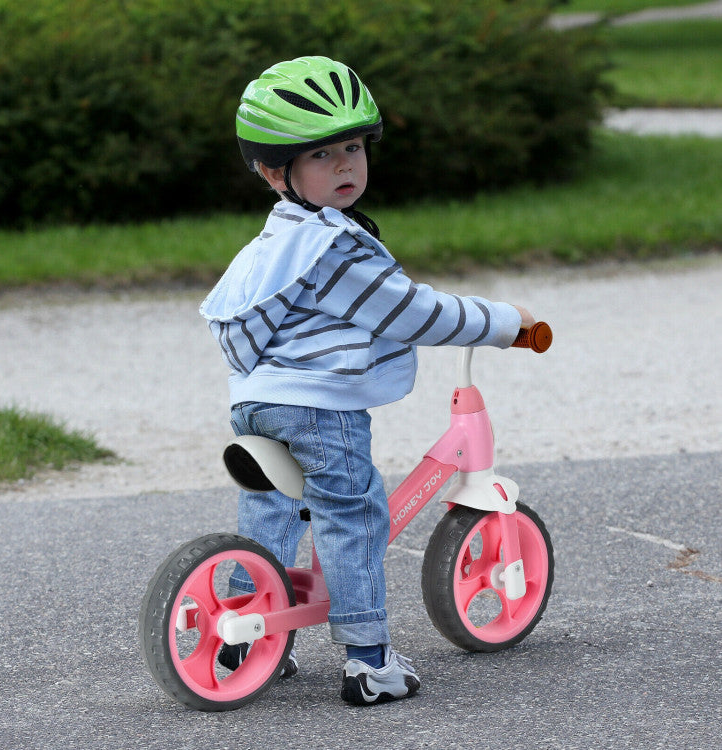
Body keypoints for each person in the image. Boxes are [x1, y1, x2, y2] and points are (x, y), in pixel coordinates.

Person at [200, 56, 535, 706]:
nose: (347, 166)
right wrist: (503, 323)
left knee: (270, 511)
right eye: (322, 156)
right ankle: (369, 659)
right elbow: (413, 311)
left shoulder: (276, 240)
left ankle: (246, 632)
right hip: (318, 412)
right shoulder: (334, 250)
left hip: (257, 404)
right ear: (275, 172)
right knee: (351, 514)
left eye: (353, 147)